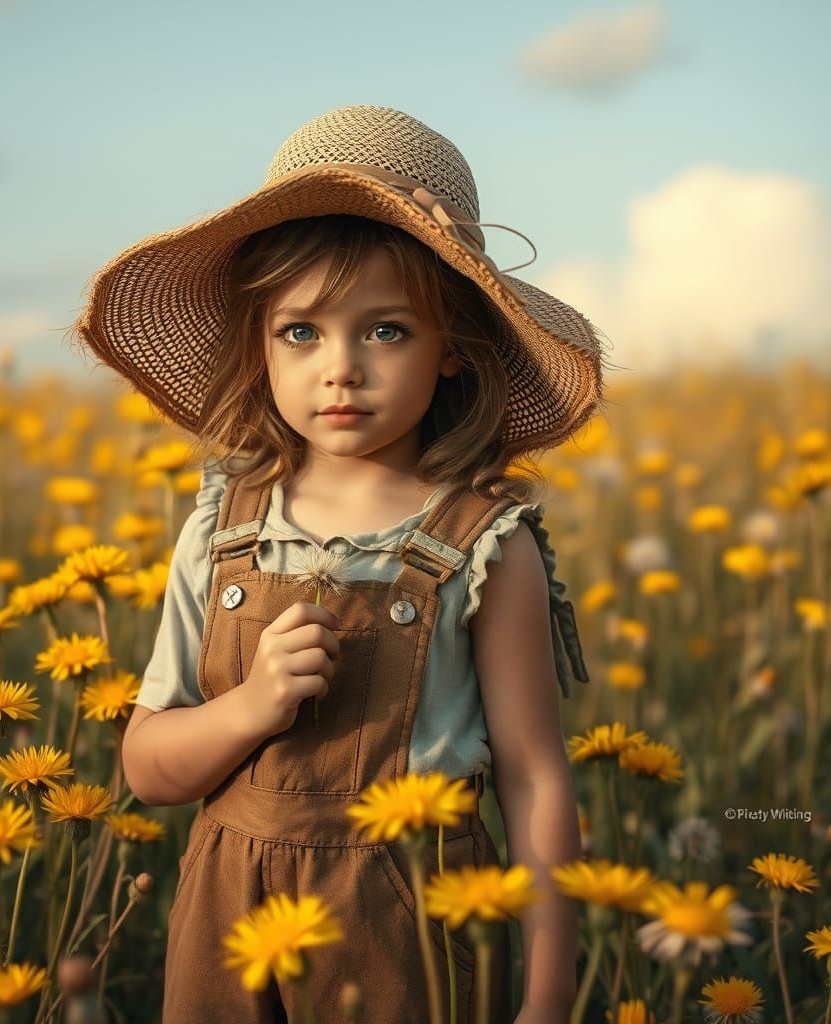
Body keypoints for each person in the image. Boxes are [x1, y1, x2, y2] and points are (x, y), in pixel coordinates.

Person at [72, 104, 612, 1024]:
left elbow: (534, 777)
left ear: (454, 348)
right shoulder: (220, 530)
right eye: (301, 332)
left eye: (387, 331)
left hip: (409, 924)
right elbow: (151, 769)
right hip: (224, 931)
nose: (341, 369)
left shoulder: (486, 545)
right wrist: (251, 707)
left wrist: (549, 992)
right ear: (260, 345)